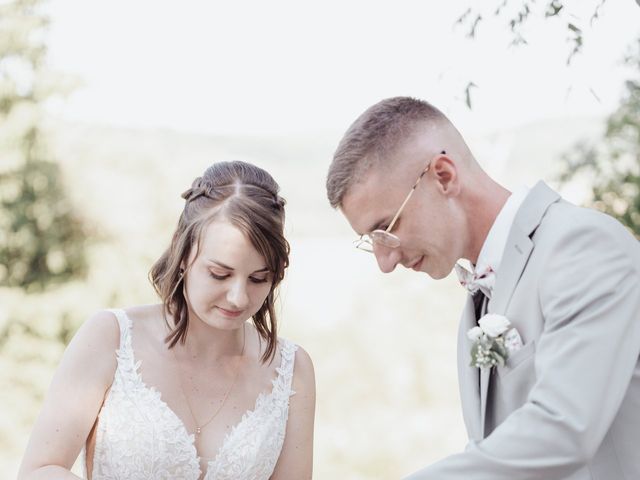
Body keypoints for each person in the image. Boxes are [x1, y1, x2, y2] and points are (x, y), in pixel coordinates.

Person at [326, 96, 640, 479]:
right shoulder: (478, 298)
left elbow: (562, 430)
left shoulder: (582, 246)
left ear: (443, 175)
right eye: (370, 241)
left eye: (386, 229)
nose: (385, 262)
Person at [18, 160, 315, 480]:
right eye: (219, 274)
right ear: (182, 252)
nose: (239, 297)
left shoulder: (293, 369)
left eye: (259, 279)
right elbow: (39, 470)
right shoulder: (111, 337)